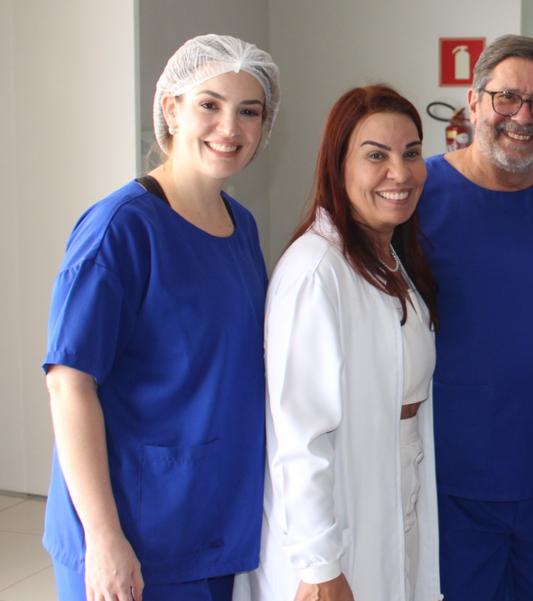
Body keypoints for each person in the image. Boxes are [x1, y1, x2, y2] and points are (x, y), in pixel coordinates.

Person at [42, 34, 279, 601]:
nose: (230, 127)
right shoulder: (120, 229)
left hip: (210, 523)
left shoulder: (239, 225)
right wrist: (102, 537)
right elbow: (69, 384)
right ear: (171, 108)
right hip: (131, 533)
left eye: (249, 111)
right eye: (210, 104)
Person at [417, 35, 533, 601]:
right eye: (506, 98)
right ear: (473, 102)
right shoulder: (418, 197)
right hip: (451, 486)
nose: (524, 116)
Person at [234, 85, 440, 601]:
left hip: (394, 494)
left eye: (411, 153)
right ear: (337, 165)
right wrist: (320, 564)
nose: (401, 171)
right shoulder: (316, 271)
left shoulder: (391, 259)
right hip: (336, 533)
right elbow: (298, 433)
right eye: (376, 155)